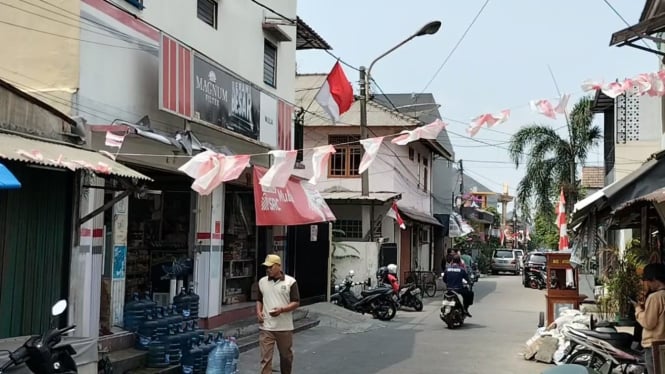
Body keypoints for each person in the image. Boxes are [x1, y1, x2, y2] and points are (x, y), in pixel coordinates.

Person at [256, 254, 300, 374]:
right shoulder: (262, 282)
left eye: (271, 267)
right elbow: (259, 299)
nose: (268, 269)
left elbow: (296, 302)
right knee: (265, 358)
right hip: (266, 326)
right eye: (266, 267)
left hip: (284, 327)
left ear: (279, 266)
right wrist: (259, 312)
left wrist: (282, 310)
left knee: (286, 357)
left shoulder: (290, 282)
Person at [635, 263, 665, 374]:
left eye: (648, 280)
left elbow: (648, 323)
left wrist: (638, 310)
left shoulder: (655, 297)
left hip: (654, 346)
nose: (647, 284)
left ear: (654, 279)